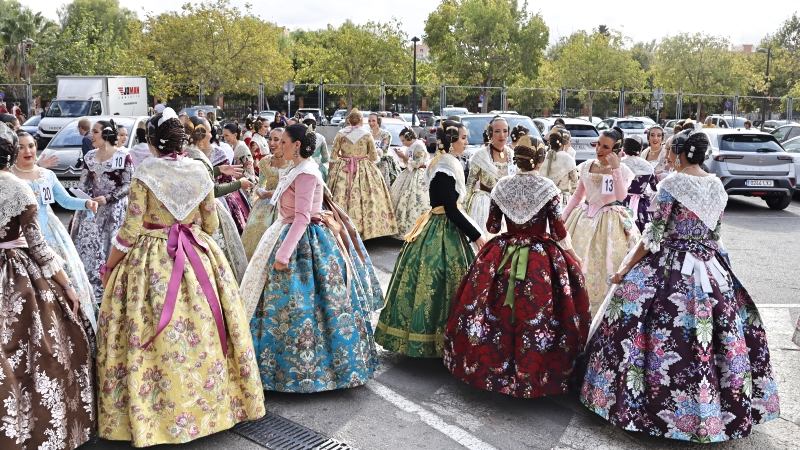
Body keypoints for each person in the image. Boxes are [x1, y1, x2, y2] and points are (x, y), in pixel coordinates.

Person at [579, 130, 780, 442]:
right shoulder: (716, 184)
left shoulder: (672, 184)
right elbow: (715, 234)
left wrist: (625, 268)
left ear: (683, 153)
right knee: (720, 335)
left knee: (634, 319)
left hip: (672, 263)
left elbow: (654, 234)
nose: (668, 154)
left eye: (672, 149)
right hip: (710, 264)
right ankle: (714, 413)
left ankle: (637, 406)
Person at [96, 108, 265, 446]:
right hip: (195, 252)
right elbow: (211, 225)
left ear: (152, 142)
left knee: (144, 331)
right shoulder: (200, 171)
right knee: (205, 329)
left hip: (150, 258)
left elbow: (130, 230)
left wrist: (110, 265)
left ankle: (153, 415)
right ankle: (211, 407)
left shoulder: (146, 172)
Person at [444, 135, 590, 398]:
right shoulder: (548, 188)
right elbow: (558, 230)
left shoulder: (502, 185)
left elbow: (492, 226)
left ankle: (488, 368)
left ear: (517, 159)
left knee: (492, 307)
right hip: (540, 257)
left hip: (504, 250)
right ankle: (535, 373)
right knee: (539, 311)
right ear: (540, 160)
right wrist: (573, 255)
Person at [239, 124, 379, 392]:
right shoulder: (296, 168)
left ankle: (307, 373)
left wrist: (283, 254)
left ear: (297, 146)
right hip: (286, 230)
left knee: (304, 306)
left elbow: (302, 218)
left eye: (283, 142)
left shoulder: (305, 173)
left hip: (302, 240)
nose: (278, 146)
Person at [0, 126, 96, 450]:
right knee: (39, 348)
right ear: (11, 153)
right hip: (16, 274)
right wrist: (67, 285)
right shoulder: (18, 189)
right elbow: (38, 247)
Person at [375, 120, 486, 357]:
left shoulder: (445, 161)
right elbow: (450, 209)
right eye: (463, 138)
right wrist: (476, 236)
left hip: (438, 224)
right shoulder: (445, 165)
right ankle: (438, 342)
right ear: (452, 141)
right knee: (441, 282)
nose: (466, 142)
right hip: (443, 227)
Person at [12, 129, 99, 330]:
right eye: (21, 147)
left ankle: (74, 326)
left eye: (31, 146)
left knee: (66, 281)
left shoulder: (47, 175)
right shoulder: (9, 178)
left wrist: (86, 204)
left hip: (52, 235)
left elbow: (65, 200)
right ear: (14, 151)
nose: (28, 151)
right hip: (22, 239)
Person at [563, 127, 639, 313]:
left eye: (605, 147)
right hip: (582, 219)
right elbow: (577, 196)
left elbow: (621, 197)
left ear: (616, 149)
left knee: (607, 266)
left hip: (610, 222)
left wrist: (615, 169)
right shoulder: (586, 165)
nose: (599, 149)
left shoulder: (623, 170)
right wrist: (562, 220)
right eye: (598, 144)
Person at [70, 119, 133, 302]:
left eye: (95, 132)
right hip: (93, 208)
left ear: (106, 134)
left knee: (110, 247)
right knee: (89, 246)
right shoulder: (90, 156)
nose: (91, 135)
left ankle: (112, 286)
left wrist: (109, 198)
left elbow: (129, 184)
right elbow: (83, 183)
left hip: (115, 210)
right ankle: (90, 288)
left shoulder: (122, 155)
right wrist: (81, 198)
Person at [328, 108, 398, 239]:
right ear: (361, 120)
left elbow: (333, 156)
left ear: (349, 120)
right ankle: (367, 230)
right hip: (363, 167)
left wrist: (330, 173)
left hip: (344, 167)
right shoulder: (366, 134)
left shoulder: (341, 133)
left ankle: (342, 228)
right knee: (368, 196)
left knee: (340, 195)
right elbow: (374, 157)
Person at [241, 127, 292, 259]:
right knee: (254, 227)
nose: (272, 143)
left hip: (285, 203)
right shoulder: (265, 161)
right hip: (265, 203)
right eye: (270, 139)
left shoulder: (292, 162)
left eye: (276, 140)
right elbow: (261, 183)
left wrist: (273, 193)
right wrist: (259, 191)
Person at [465, 116, 515, 237]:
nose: (501, 135)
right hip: (485, 203)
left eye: (505, 131)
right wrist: (463, 209)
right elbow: (470, 184)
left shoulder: (513, 155)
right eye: (497, 131)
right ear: (491, 133)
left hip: (508, 204)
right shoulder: (480, 155)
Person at [390, 126, 429, 238]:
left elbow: (417, 163)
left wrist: (404, 157)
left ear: (408, 137)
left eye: (403, 140)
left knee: (414, 200)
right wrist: (403, 157)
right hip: (409, 173)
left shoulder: (418, 145)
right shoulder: (412, 146)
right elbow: (409, 162)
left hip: (418, 175)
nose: (403, 143)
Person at [621, 134, 659, 232]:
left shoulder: (618, 164)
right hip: (640, 206)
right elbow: (655, 187)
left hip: (620, 204)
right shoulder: (648, 166)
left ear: (624, 149)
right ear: (641, 149)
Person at [541, 126, 577, 204]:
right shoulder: (568, 159)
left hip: (545, 199)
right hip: (561, 200)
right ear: (563, 143)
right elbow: (575, 184)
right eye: (569, 141)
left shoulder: (545, 156)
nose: (570, 145)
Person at [222, 122, 257, 197]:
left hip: (246, 185)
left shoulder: (242, 148)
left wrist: (231, 176)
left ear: (235, 134)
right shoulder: (234, 146)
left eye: (227, 135)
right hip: (238, 182)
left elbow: (249, 172)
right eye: (224, 136)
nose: (225, 138)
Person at [369, 112, 401, 188]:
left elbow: (383, 149)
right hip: (369, 163)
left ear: (378, 121)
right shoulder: (368, 134)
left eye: (373, 121)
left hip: (382, 164)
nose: (371, 123)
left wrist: (371, 154)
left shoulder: (385, 134)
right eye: (369, 121)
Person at [303, 114, 330, 181]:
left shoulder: (299, 137)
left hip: (302, 167)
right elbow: (325, 158)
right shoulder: (321, 138)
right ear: (315, 126)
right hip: (317, 168)